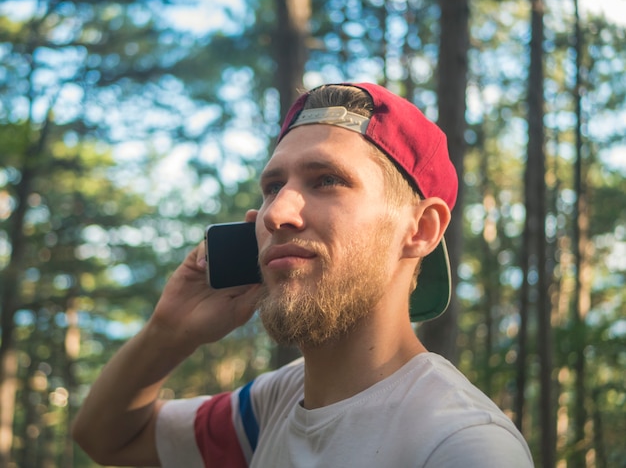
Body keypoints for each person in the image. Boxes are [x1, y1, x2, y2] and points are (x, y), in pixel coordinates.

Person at [72, 82, 534, 467]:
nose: (277, 214)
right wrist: (167, 332)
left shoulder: (460, 445)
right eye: (274, 187)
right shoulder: (271, 407)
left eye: (326, 180)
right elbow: (105, 438)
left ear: (420, 229)